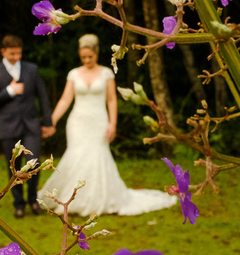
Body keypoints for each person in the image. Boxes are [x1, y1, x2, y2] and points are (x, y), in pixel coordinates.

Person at [39, 34, 176, 217]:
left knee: (97, 157)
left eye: (90, 56)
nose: (87, 60)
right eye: (83, 57)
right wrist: (52, 120)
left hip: (98, 121)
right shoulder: (74, 74)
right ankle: (71, 200)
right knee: (76, 156)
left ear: (96, 53)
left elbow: (111, 100)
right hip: (78, 122)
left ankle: (97, 200)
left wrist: (112, 123)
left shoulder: (106, 73)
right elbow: (65, 99)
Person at [0, 35, 55, 217]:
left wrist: (48, 122)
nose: (16, 56)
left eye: (19, 53)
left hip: (31, 125)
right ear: (3, 52)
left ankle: (32, 200)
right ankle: (19, 204)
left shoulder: (32, 69)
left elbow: (43, 97)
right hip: (8, 126)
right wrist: (9, 91)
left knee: (34, 163)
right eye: (12, 53)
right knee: (13, 168)